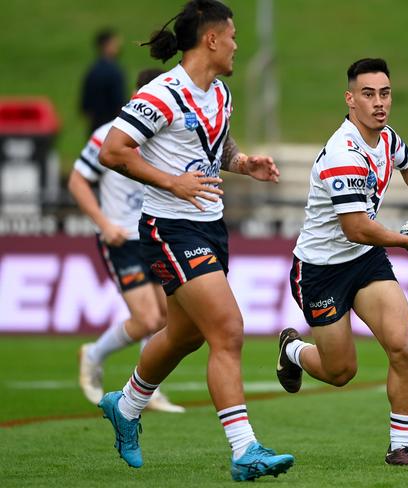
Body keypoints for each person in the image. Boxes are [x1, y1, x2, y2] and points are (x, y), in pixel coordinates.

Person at [96, 1, 294, 481]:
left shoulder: (220, 93)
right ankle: (245, 450)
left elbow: (215, 147)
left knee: (183, 335)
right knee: (227, 330)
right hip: (170, 227)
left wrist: (244, 163)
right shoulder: (163, 93)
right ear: (210, 39)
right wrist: (170, 182)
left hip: (210, 225)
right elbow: (112, 151)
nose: (236, 44)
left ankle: (125, 405)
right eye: (232, 35)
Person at [276, 58, 408, 467]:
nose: (379, 102)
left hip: (365, 261)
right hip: (320, 270)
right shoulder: (343, 152)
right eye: (368, 94)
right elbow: (356, 227)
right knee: (340, 373)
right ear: (350, 99)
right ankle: (293, 351)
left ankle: (400, 447)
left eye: (385, 93)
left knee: (403, 346)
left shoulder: (387, 139)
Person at [70, 68, 183, 414]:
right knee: (147, 318)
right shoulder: (108, 135)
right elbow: (77, 181)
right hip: (121, 237)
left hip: (153, 234)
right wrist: (104, 223)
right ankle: (93, 354)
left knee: (166, 318)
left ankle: (148, 391)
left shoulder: (165, 137)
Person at [80, 28, 126, 135]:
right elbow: (119, 100)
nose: (118, 47)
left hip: (95, 124)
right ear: (106, 46)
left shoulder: (92, 70)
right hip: (112, 124)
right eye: (115, 44)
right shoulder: (114, 71)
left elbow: (85, 104)